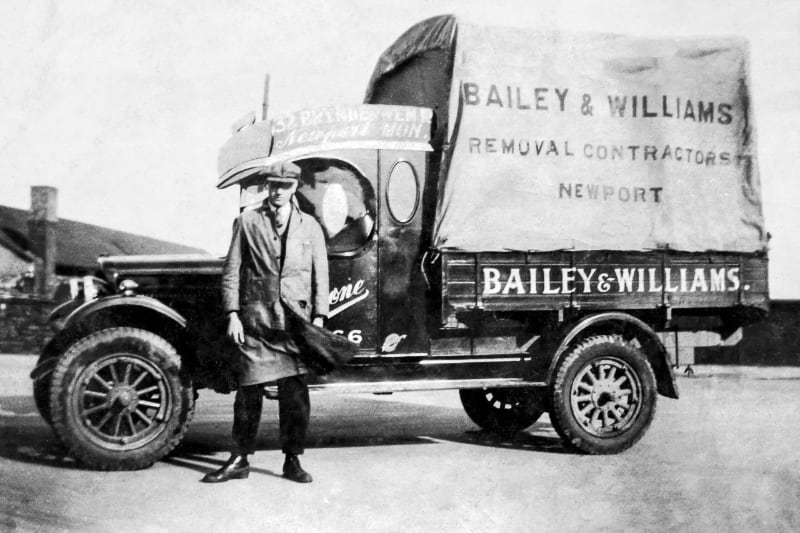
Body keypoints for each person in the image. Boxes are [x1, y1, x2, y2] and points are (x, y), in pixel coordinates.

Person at [202, 161, 329, 484]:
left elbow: (320, 275)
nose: (277, 192)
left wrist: (318, 316)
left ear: (295, 188)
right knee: (248, 391)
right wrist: (232, 314)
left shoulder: (310, 226)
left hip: (295, 324)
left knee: (295, 395)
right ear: (267, 186)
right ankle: (240, 458)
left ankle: (292, 460)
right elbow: (232, 270)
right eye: (273, 185)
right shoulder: (247, 221)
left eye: (284, 186)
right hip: (255, 321)